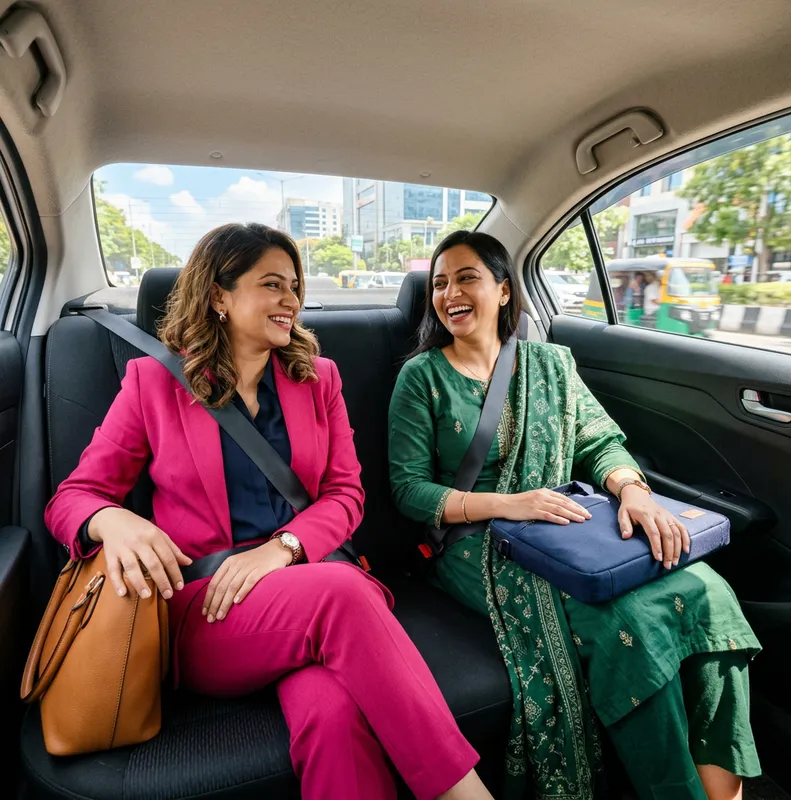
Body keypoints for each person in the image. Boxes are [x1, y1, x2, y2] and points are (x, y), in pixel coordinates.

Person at [45, 223, 493, 800]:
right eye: (273, 285)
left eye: (295, 286)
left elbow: (346, 494)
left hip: (309, 589)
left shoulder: (319, 379)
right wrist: (114, 520)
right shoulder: (153, 382)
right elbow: (73, 498)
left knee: (334, 716)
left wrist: (282, 549)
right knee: (343, 593)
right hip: (209, 606)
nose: (292, 300)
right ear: (219, 295)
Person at [388, 230, 761, 800]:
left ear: (504, 290)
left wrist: (632, 490)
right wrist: (510, 504)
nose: (449, 294)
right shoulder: (422, 377)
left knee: (708, 590)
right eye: (439, 284)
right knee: (630, 625)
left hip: (568, 523)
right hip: (478, 541)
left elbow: (599, 442)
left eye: (467, 278)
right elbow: (409, 490)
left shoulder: (551, 364)